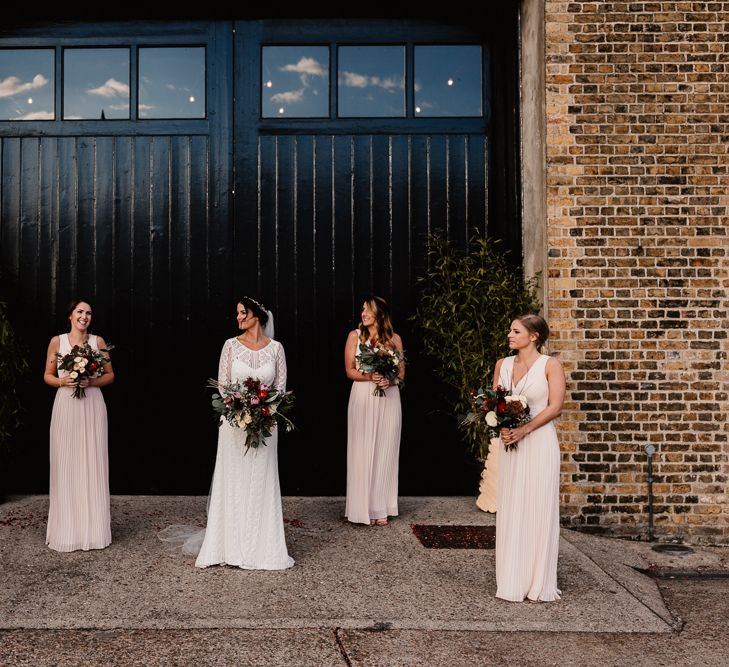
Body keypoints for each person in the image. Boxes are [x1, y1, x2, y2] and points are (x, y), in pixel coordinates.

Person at [193, 296, 294, 570]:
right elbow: (223, 385)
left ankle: (262, 546)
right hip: (234, 425)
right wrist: (239, 408)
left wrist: (263, 409)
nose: (238, 318)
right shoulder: (230, 346)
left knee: (261, 479)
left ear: (257, 316)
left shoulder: (276, 349)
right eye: (237, 313)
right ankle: (229, 546)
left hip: (265, 424)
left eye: (242, 313)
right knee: (234, 479)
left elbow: (281, 389)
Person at [493, 313, 565, 602]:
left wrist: (524, 430)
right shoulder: (503, 365)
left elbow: (555, 407)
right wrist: (503, 428)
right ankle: (512, 579)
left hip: (539, 443)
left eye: (516, 331)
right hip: (511, 444)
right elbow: (495, 403)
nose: (510, 335)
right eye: (510, 330)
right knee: (512, 506)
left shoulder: (551, 365)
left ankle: (538, 581)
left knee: (538, 505)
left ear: (533, 336)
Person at [43, 298, 114, 552]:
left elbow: (110, 375)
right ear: (70, 315)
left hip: (92, 405)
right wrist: (64, 382)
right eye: (80, 312)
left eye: (89, 313)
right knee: (67, 463)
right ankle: (67, 530)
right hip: (66, 406)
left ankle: (93, 531)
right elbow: (47, 376)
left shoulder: (98, 342)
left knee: (91, 461)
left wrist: (90, 383)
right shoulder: (57, 341)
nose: (85, 316)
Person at [344, 296, 404, 526]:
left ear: (379, 314)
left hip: (388, 398)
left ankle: (381, 507)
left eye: (367, 310)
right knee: (362, 449)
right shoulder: (355, 336)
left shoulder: (394, 339)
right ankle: (361, 508)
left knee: (385, 449)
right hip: (363, 396)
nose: (363, 314)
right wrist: (371, 376)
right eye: (362, 310)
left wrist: (390, 380)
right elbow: (350, 370)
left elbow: (401, 373)